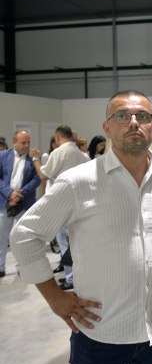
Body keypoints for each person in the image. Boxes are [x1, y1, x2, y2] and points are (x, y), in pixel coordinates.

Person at [11, 90, 152, 364]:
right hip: (100, 335)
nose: (134, 122)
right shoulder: (78, 181)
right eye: (122, 116)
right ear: (107, 128)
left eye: (143, 116)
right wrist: (54, 297)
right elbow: (25, 236)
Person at [30, 124, 90, 290]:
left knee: (63, 241)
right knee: (77, 242)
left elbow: (44, 175)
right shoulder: (82, 155)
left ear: (57, 137)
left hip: (63, 203)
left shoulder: (59, 152)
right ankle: (79, 277)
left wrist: (35, 159)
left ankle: (70, 277)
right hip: (82, 203)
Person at [0, 130, 41, 279]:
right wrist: (10, 193)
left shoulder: (33, 158)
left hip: (24, 203)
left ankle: (21, 267)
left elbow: (37, 178)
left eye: (28, 142)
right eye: (23, 142)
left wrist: (20, 193)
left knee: (21, 237)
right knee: (2, 237)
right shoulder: (2, 156)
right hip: (5, 202)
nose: (27, 145)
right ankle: (0, 267)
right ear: (14, 142)